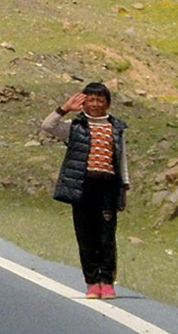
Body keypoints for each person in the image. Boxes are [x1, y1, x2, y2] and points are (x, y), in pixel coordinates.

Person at [41, 82, 130, 299]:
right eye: (90, 99)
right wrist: (65, 108)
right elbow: (48, 126)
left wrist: (124, 187)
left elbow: (121, 159)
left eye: (100, 100)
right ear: (83, 102)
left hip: (107, 187)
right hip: (81, 187)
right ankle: (92, 283)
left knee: (106, 237)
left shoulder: (115, 128)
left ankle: (107, 282)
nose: (95, 104)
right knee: (86, 236)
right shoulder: (74, 127)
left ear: (108, 104)